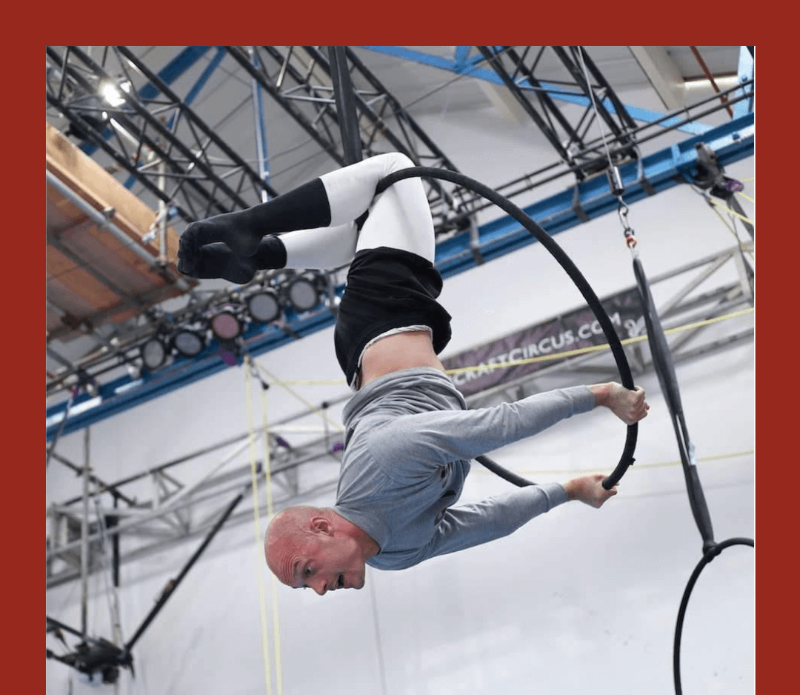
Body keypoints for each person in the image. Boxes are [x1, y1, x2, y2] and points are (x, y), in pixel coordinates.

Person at [177, 153, 649, 596]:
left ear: (322, 527)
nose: (321, 590)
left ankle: (248, 228)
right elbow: (489, 521)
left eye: (309, 572)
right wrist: (566, 492)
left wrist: (602, 394)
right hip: (377, 351)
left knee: (394, 171)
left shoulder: (383, 465)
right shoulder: (394, 555)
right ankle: (261, 254)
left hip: (383, 317)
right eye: (308, 586)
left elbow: (498, 426)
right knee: (370, 223)